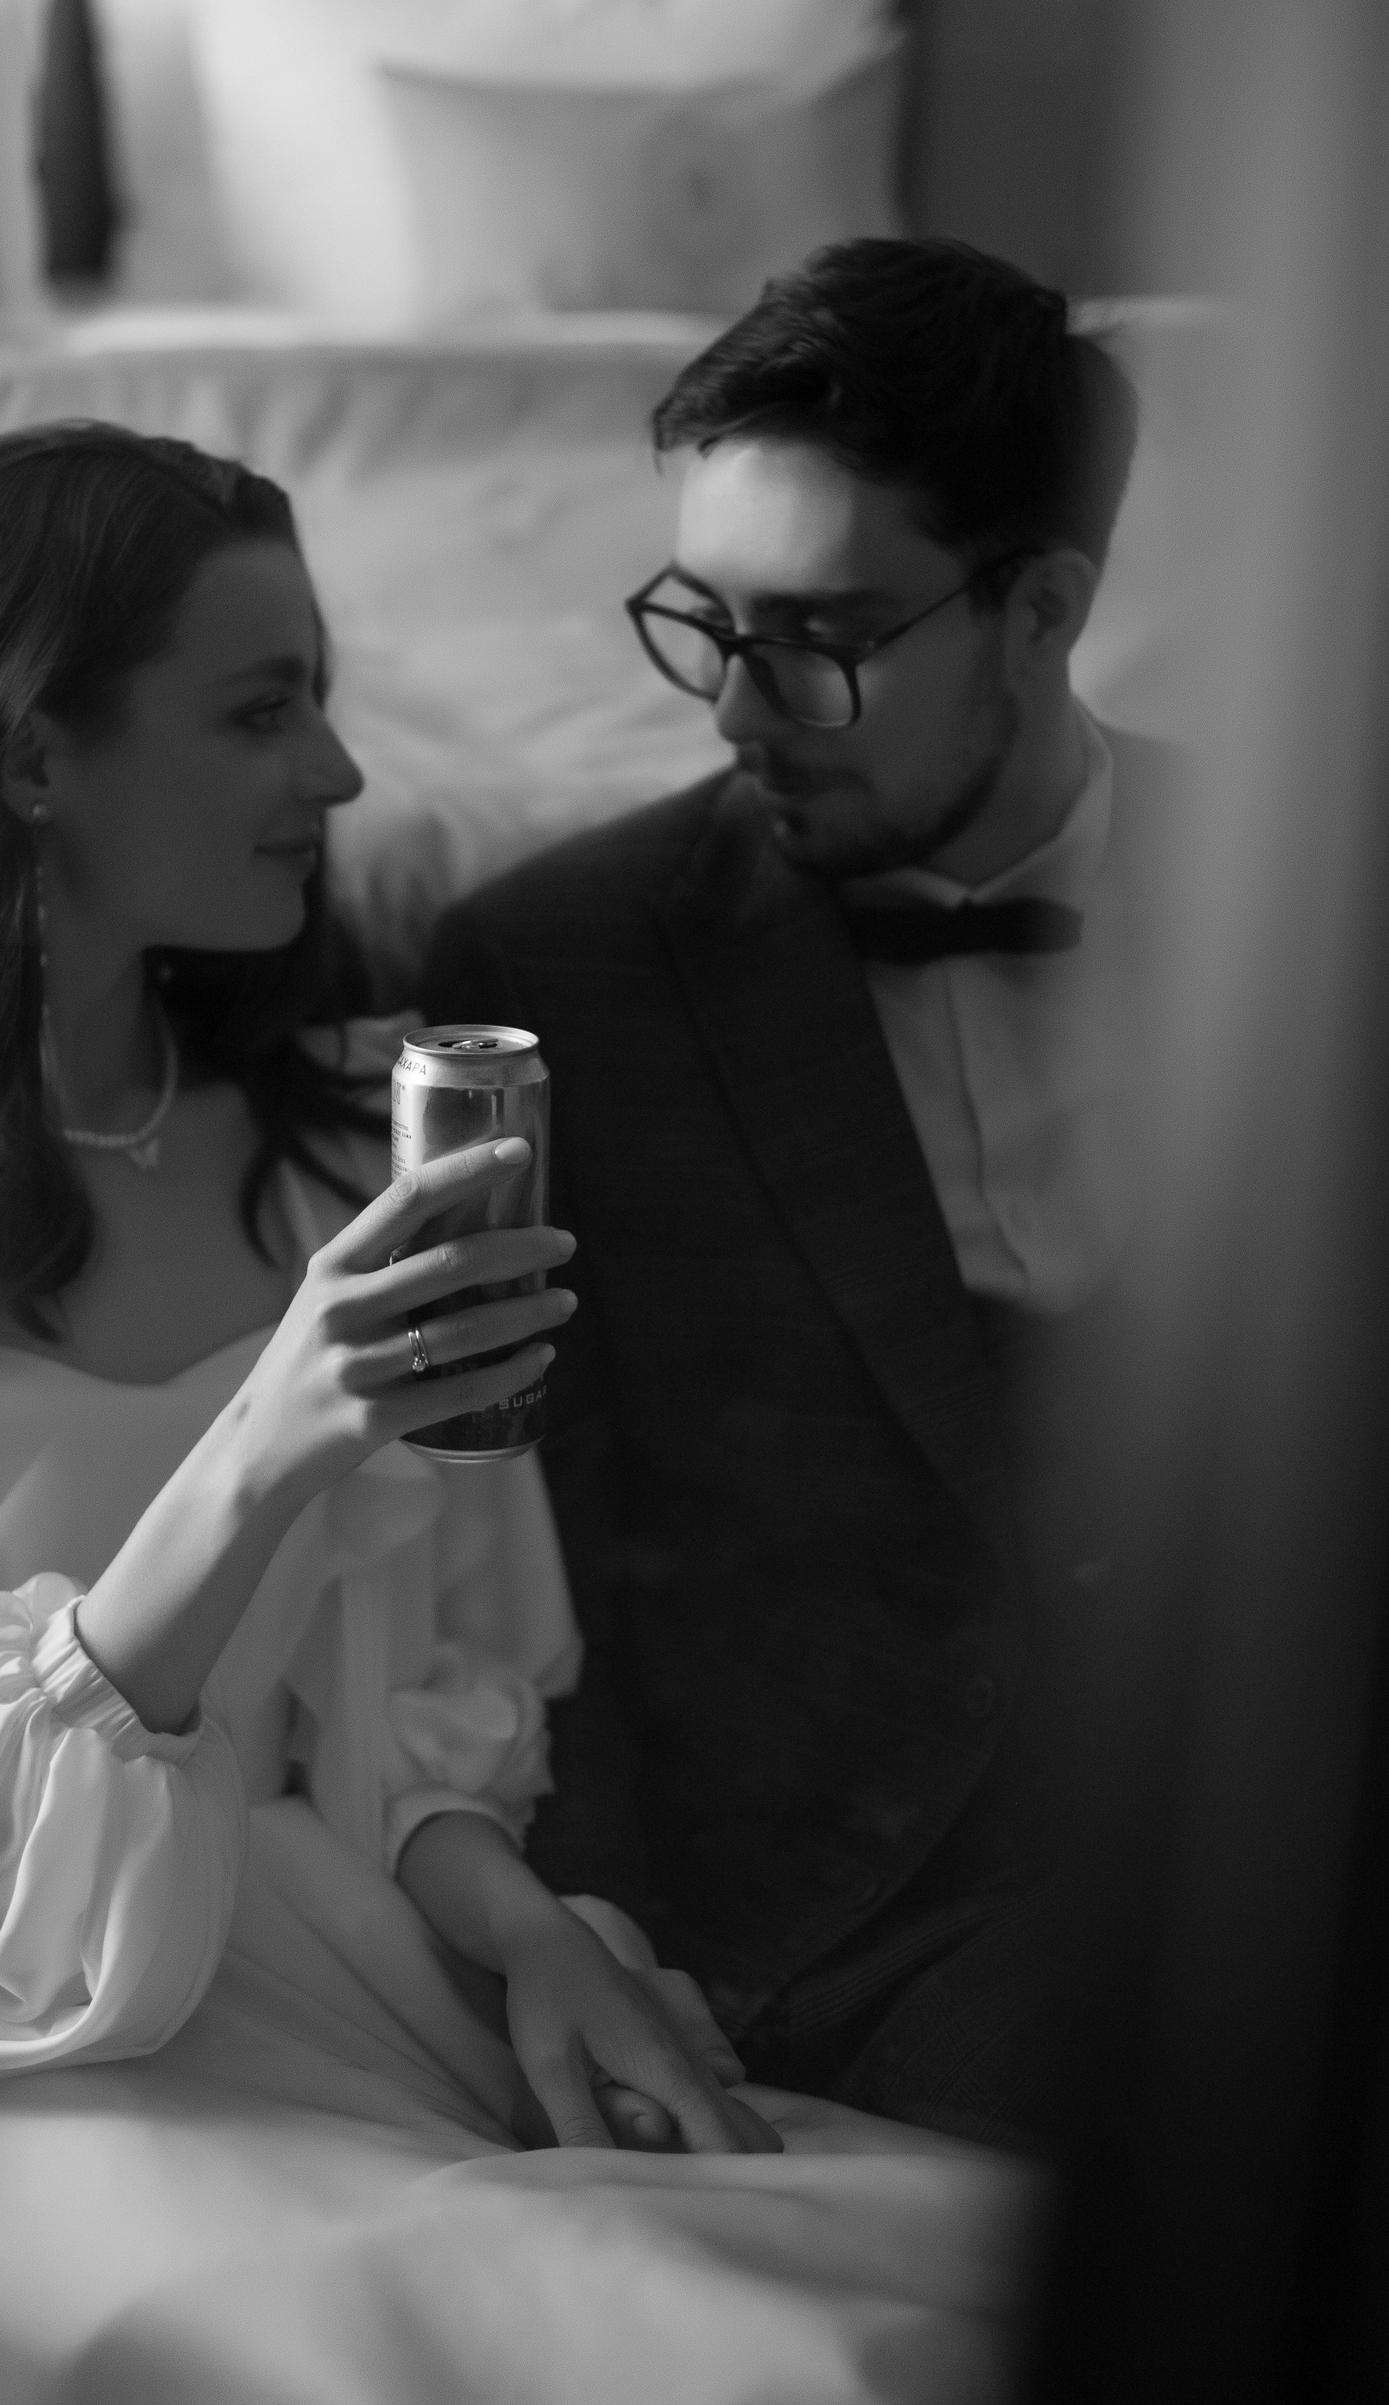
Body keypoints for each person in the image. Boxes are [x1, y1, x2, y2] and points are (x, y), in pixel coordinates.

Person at [0, 416, 1036, 2405]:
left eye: (327, 702)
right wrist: (262, 1444)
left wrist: (534, 1933)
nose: (339, 776)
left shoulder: (367, 1138)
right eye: (262, 711)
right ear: (29, 756)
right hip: (5, 2057)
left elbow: (403, 1720)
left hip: (360, 1978)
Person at [422, 238, 1171, 2151]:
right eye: (706, 620)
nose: (738, 712)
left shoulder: (1321, 885)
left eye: (819, 636)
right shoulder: (552, 969)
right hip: (871, 1903)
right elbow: (530, 1547)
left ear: (1044, 609)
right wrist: (617, 1942)